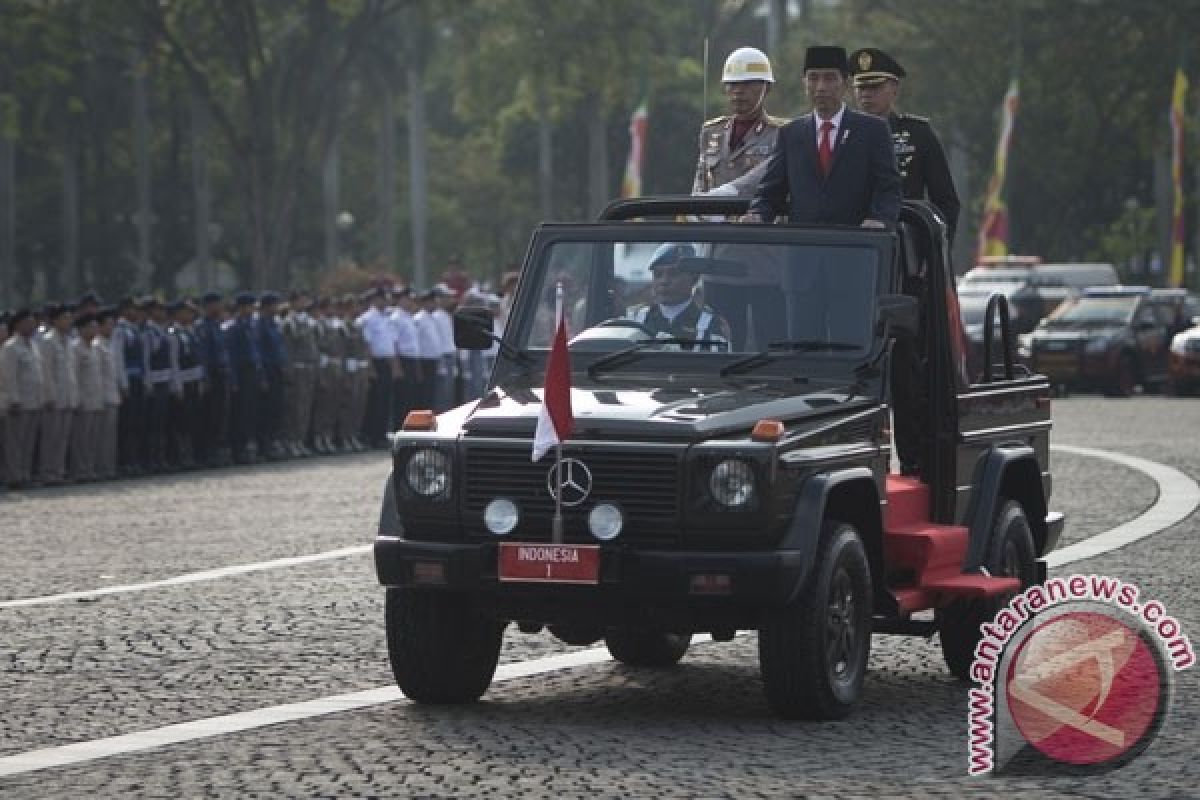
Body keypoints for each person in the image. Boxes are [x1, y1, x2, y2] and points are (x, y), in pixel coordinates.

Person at [746, 45, 901, 228]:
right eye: (813, 78)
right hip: (805, 246)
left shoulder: (872, 130)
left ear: (845, 83)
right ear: (804, 82)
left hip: (857, 245)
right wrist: (757, 214)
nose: (820, 87)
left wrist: (880, 219)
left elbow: (888, 188)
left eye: (829, 78)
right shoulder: (791, 133)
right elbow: (771, 190)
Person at [849, 47, 960, 242]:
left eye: (874, 87)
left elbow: (946, 201)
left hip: (905, 242)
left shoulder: (918, 134)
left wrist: (936, 255)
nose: (866, 95)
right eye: (861, 87)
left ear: (894, 89)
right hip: (853, 240)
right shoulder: (843, 135)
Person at [692, 47, 787, 197]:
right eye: (732, 84)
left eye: (748, 84)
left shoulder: (783, 133)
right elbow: (700, 186)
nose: (738, 91)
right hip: (714, 217)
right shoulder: (711, 132)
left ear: (767, 88)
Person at [625, 243, 731, 350]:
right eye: (658, 275)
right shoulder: (636, 318)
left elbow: (716, 364)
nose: (664, 281)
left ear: (694, 279)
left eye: (673, 274)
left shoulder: (711, 324)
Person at [1, 308, 45, 488]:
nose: (31, 325)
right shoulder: (11, 347)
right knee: (14, 443)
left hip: (33, 400)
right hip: (18, 402)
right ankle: (14, 476)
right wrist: (14, 399)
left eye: (33, 322)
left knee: (28, 442)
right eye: (27, 322)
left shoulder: (33, 345)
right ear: (18, 324)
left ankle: (25, 474)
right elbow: (8, 376)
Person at [37, 303, 77, 485]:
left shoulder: (69, 341)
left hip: (68, 394)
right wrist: (49, 396)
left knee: (62, 438)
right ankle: (47, 472)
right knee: (50, 438)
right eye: (65, 318)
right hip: (53, 397)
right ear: (55, 320)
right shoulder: (47, 341)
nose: (68, 321)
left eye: (70, 318)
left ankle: (59, 471)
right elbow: (46, 372)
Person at [195, 291, 232, 467]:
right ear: (208, 307)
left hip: (222, 373)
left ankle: (217, 449)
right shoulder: (203, 327)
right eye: (216, 304)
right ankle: (206, 452)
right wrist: (205, 378)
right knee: (208, 415)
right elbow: (203, 355)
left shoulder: (217, 325)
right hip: (212, 374)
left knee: (220, 415)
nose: (219, 307)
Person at [225, 292, 263, 464]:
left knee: (251, 411)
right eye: (249, 306)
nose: (252, 309)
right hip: (241, 372)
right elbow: (231, 356)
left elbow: (257, 351)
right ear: (241, 308)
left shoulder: (253, 326)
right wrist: (233, 380)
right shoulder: (233, 328)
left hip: (253, 371)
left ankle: (249, 446)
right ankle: (237, 449)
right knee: (239, 412)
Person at [280, 290, 319, 458]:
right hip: (297, 368)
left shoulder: (308, 321)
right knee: (295, 408)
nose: (305, 303)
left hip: (309, 368)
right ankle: (291, 441)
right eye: (302, 300)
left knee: (305, 408)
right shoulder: (290, 322)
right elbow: (289, 346)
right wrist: (289, 371)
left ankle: (300, 440)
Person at [168, 300, 205, 469]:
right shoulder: (173, 334)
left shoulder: (192, 331)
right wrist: (177, 386)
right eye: (186, 312)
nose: (190, 315)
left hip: (194, 380)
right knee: (182, 420)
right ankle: (181, 455)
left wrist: (201, 379)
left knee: (195, 419)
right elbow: (174, 361)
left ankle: (193, 453)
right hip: (183, 381)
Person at [357, 286, 396, 448]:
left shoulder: (385, 317)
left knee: (385, 401)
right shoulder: (367, 318)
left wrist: (394, 365)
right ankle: (371, 436)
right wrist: (370, 367)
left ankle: (381, 435)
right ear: (374, 300)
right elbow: (366, 344)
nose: (385, 301)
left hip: (386, 363)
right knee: (375, 402)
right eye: (381, 298)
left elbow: (390, 344)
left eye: (385, 298)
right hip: (375, 363)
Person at [68, 313, 104, 482]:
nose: (94, 330)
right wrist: (77, 399)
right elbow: (73, 376)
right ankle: (80, 470)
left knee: (93, 438)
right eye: (90, 327)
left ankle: (89, 468)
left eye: (96, 326)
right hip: (83, 399)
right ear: (81, 329)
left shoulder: (96, 347)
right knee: (81, 438)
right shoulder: (75, 348)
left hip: (96, 398)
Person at [141, 297, 175, 472]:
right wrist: (148, 384)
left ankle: (161, 457)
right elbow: (146, 359)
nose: (161, 313)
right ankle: (151, 459)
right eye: (157, 310)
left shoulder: (162, 331)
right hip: (154, 381)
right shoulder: (148, 332)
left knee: (162, 422)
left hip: (165, 379)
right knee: (153, 423)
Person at [115, 296, 147, 475]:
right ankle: (126, 460)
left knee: (137, 421)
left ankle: (135, 459)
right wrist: (123, 384)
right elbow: (118, 358)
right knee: (127, 423)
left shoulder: (134, 330)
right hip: (128, 379)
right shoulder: (120, 331)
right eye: (132, 309)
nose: (136, 312)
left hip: (138, 378)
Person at [255, 291, 288, 460]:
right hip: (267, 371)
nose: (277, 308)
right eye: (274, 304)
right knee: (266, 410)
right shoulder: (259, 325)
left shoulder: (274, 324)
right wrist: (262, 377)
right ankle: (264, 445)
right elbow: (258, 352)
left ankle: (273, 442)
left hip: (277, 370)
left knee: (277, 408)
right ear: (266, 307)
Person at [95, 307, 122, 480]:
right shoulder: (97, 346)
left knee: (110, 437)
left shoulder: (110, 345)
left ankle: (109, 467)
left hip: (112, 395)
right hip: (100, 396)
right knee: (100, 437)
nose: (111, 328)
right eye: (108, 325)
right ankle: (99, 468)